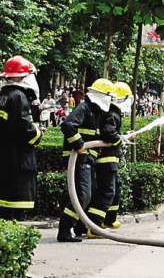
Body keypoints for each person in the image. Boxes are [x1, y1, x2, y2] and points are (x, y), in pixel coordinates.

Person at [56, 78, 115, 242]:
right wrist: (80, 144)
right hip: (78, 159)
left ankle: (79, 227)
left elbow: (91, 135)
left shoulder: (95, 112)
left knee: (89, 194)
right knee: (83, 195)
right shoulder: (84, 108)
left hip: (87, 159)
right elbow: (67, 125)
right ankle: (64, 230)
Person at [85, 82, 135, 238]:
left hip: (111, 160)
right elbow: (108, 132)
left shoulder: (112, 113)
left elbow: (112, 132)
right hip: (106, 161)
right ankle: (94, 226)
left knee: (116, 189)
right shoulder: (112, 114)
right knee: (107, 192)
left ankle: (108, 220)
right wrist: (119, 140)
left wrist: (124, 134)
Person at [0, 55, 43, 220]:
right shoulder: (19, 96)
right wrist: (38, 133)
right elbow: (23, 128)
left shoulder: (3, 94)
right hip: (18, 160)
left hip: (5, 157)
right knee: (14, 209)